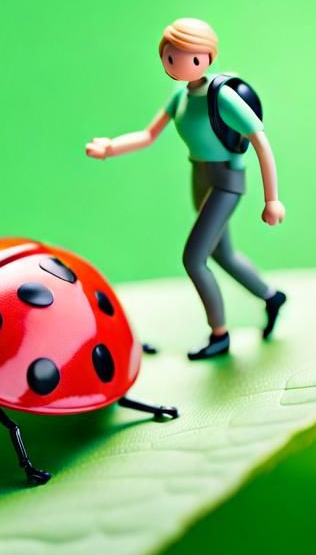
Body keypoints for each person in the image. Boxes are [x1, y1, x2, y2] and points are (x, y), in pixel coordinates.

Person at [86, 18, 286, 359]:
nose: (180, 65)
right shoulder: (180, 96)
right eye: (171, 58)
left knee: (194, 259)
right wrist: (111, 147)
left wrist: (272, 200)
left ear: (209, 57)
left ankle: (219, 335)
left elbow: (260, 142)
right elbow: (149, 135)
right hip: (200, 177)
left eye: (193, 59)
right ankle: (271, 297)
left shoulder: (221, 97)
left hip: (225, 182)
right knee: (222, 254)